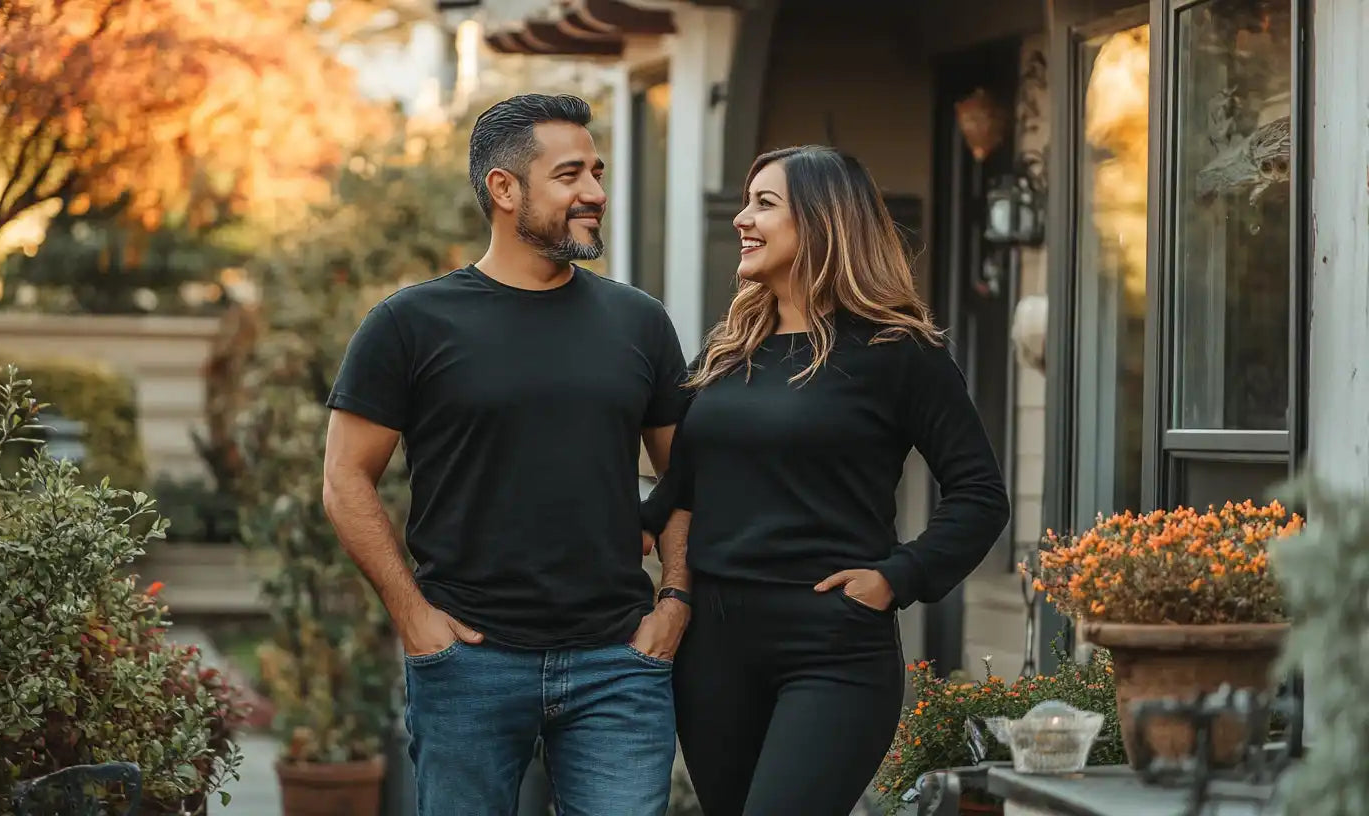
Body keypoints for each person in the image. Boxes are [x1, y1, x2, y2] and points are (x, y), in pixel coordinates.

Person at [322, 94, 692, 816]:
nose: (596, 193)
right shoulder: (410, 323)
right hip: (469, 659)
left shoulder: (639, 322)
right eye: (571, 174)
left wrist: (676, 599)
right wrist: (412, 615)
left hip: (619, 660)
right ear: (504, 188)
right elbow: (344, 478)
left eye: (598, 171)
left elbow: (688, 473)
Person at [644, 145, 1011, 815]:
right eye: (746, 202)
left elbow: (981, 495)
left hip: (831, 647)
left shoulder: (898, 351)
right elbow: (682, 488)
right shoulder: (729, 349)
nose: (742, 220)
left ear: (821, 221)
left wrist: (898, 577)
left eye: (765, 203)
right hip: (716, 648)